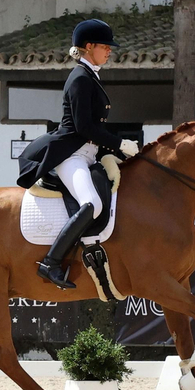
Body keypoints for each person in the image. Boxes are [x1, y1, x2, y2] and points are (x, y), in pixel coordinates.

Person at [16, 18, 140, 289]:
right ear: (89, 46)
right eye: (105, 46)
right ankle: (50, 263)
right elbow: (84, 127)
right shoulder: (81, 79)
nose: (109, 51)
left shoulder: (90, 76)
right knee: (92, 204)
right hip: (71, 154)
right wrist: (119, 145)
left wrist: (112, 150)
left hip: (87, 154)